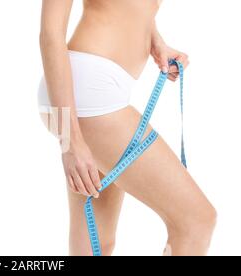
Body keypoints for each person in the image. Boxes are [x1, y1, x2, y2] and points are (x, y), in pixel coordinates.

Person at [38, 0, 216, 256]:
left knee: (97, 240)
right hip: (87, 93)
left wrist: (155, 41)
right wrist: (70, 142)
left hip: (92, 91)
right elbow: (50, 35)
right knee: (196, 221)